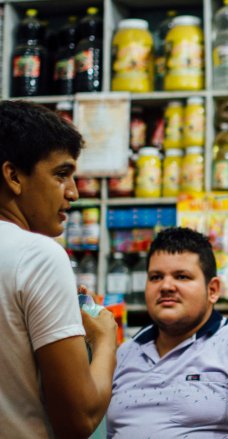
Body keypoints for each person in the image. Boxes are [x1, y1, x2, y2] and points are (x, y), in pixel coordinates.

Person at [107, 227, 228, 438]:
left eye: (182, 276)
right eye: (156, 277)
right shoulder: (126, 352)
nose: (166, 286)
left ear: (213, 290)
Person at [0, 100, 118, 438]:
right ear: (13, 176)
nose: (74, 193)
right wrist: (105, 339)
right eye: (61, 174)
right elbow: (78, 420)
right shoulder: (37, 256)